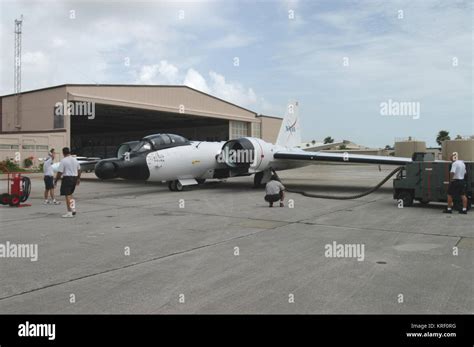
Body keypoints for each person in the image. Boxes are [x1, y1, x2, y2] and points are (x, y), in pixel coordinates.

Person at [54, 147, 81, 218]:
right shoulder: (75, 160)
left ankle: (69, 212)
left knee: (67, 195)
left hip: (67, 178)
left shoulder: (63, 161)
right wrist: (78, 179)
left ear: (63, 153)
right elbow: (79, 170)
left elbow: (60, 172)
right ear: (69, 152)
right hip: (74, 178)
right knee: (71, 194)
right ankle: (73, 209)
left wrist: (56, 180)